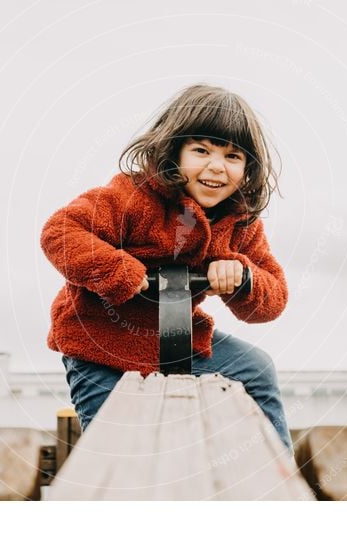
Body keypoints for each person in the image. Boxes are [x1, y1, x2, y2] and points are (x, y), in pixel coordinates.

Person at [40, 84, 292, 452]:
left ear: (247, 168)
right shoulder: (133, 196)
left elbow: (275, 296)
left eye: (233, 156)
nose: (216, 167)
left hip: (179, 342)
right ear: (174, 152)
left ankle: (280, 483)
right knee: (116, 446)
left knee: (258, 369)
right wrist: (121, 271)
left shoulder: (240, 222)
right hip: (100, 344)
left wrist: (243, 276)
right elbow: (61, 232)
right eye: (201, 150)